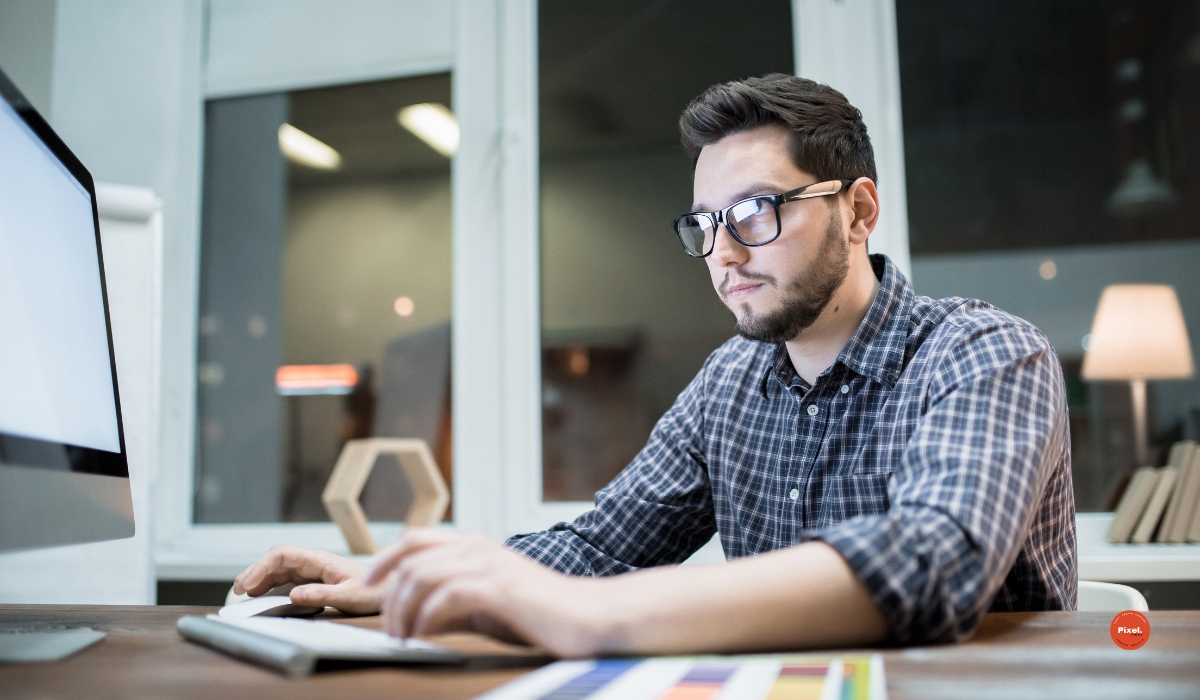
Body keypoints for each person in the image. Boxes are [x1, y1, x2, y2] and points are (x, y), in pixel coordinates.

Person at [234, 74, 1076, 657]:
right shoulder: (730, 382)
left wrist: (588, 618)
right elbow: (602, 547)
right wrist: (411, 574)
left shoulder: (985, 353)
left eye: (753, 213)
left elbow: (933, 561)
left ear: (858, 211)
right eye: (704, 223)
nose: (722, 255)